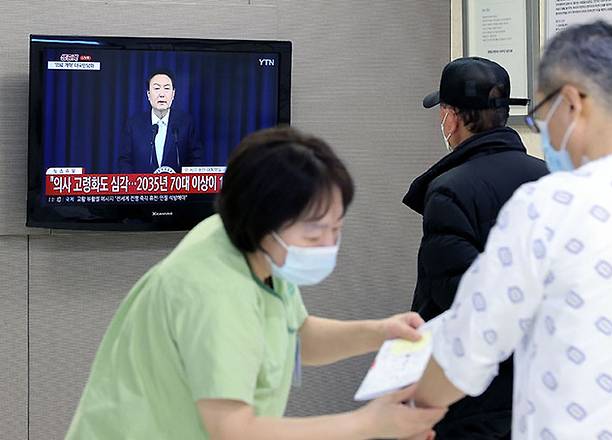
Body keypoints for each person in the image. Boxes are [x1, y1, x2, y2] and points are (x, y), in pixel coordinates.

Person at [66, 127, 446, 439]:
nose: (328, 246)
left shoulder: (248, 246)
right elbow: (233, 430)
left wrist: (380, 332)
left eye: (336, 229)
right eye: (314, 236)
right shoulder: (213, 291)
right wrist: (367, 424)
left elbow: (293, 335)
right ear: (262, 221)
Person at [413, 21, 612, 439]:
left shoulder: (547, 207)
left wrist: (408, 408)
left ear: (572, 103)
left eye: (542, 114)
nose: (542, 128)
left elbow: (469, 345)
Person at [402, 57, 548, 438]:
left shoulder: (449, 190)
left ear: (451, 118)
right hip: (536, 385)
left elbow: (459, 299)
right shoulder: (548, 181)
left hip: (471, 397)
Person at [118, 70, 203, 173]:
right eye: (157, 88)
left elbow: (196, 160)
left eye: (166, 88)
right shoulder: (133, 124)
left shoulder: (186, 123)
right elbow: (124, 161)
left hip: (178, 188)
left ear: (173, 94)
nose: (161, 94)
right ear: (148, 95)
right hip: (141, 188)